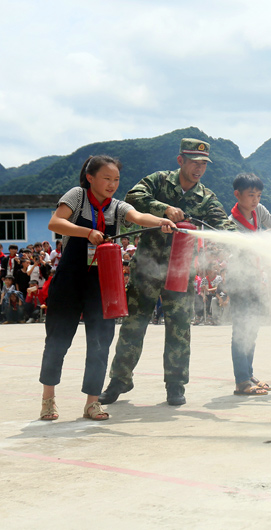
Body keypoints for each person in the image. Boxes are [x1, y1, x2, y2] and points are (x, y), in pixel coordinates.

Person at [38, 155, 176, 422]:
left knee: (101, 343)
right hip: (69, 280)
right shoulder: (77, 196)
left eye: (116, 180)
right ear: (90, 178)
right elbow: (55, 222)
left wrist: (159, 220)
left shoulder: (117, 207)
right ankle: (48, 400)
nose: (112, 184)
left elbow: (137, 216)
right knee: (57, 341)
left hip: (101, 283)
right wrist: (85, 233)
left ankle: (92, 403)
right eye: (106, 178)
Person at [99, 138, 235, 407]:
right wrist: (163, 209)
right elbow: (132, 197)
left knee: (179, 330)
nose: (199, 168)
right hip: (147, 268)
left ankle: (175, 385)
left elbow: (223, 224)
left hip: (181, 271)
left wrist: (236, 238)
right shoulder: (158, 181)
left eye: (204, 164)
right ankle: (119, 381)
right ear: (180, 161)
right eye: (194, 162)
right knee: (133, 325)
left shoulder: (206, 197)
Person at [226, 173, 271, 396]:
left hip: (256, 277)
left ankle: (247, 373)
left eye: (258, 195)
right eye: (251, 195)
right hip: (239, 280)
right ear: (237, 195)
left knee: (252, 328)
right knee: (241, 330)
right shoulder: (231, 223)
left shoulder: (260, 211)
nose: (255, 200)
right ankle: (241, 381)